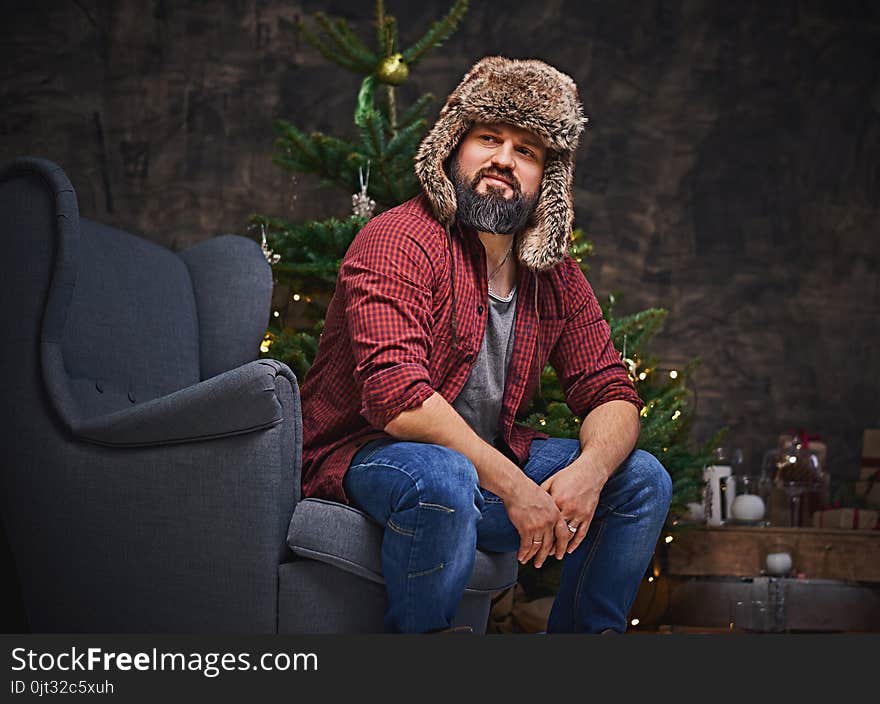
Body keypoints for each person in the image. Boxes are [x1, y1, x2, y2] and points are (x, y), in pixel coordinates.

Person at [299, 56, 672, 633]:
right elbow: (398, 399)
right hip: (369, 456)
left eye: (527, 150)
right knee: (442, 476)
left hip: (482, 468)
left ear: (546, 178)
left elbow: (611, 391)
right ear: (453, 148)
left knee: (641, 477)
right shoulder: (400, 238)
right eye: (489, 137)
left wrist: (590, 472)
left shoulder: (553, 274)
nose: (504, 159)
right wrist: (518, 488)